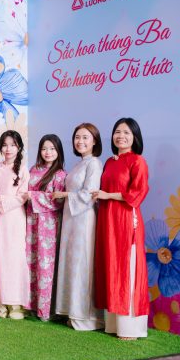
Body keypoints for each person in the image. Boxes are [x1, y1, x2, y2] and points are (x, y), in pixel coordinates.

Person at [92, 118, 149, 340]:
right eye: (117, 132)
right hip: (108, 220)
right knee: (111, 266)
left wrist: (108, 195)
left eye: (126, 132)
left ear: (135, 137)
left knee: (127, 268)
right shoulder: (109, 161)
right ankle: (114, 325)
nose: (121, 136)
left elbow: (137, 193)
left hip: (126, 220)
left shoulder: (138, 161)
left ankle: (131, 328)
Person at [55, 123, 104, 331]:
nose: (80, 141)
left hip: (84, 219)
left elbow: (90, 193)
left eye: (85, 137)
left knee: (82, 263)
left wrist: (65, 195)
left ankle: (86, 315)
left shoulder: (94, 163)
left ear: (94, 141)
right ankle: (72, 310)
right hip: (71, 218)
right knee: (72, 262)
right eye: (77, 137)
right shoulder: (79, 164)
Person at [0, 130, 30, 320]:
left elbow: (22, 196)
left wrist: (1, 199)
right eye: (5, 145)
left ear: (19, 147)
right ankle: (0, 301)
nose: (8, 149)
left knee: (14, 258)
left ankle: (16, 303)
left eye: (12, 145)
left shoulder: (23, 170)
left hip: (13, 218)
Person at [24, 134, 66, 321]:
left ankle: (44, 310)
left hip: (48, 225)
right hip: (31, 222)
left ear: (58, 151)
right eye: (44, 148)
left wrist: (32, 196)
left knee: (45, 265)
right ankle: (29, 305)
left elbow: (58, 201)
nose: (48, 152)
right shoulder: (34, 170)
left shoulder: (61, 175)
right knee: (29, 262)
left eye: (52, 149)